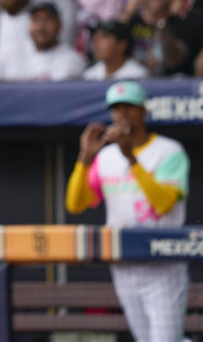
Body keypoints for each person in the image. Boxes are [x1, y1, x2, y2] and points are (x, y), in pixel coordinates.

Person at [66, 81, 190, 342]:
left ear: (143, 111)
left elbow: (164, 204)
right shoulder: (106, 156)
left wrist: (131, 158)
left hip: (161, 264)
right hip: (123, 265)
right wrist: (84, 161)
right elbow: (75, 205)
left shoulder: (170, 151)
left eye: (129, 107)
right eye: (116, 108)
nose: (121, 114)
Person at [0, 2, 86, 82]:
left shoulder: (71, 58)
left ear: (59, 24)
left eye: (46, 20)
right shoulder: (18, 56)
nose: (40, 27)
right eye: (35, 20)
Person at [83, 20, 149, 81]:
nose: (97, 44)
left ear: (122, 45)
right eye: (96, 38)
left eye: (104, 37)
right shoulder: (89, 75)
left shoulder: (138, 76)